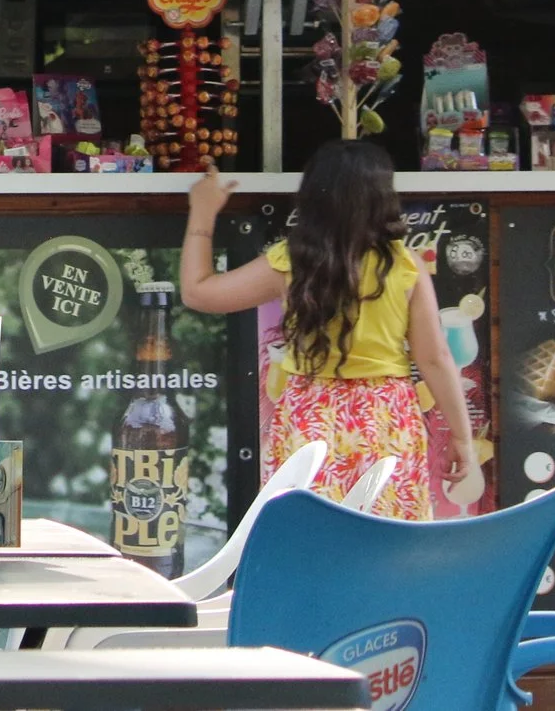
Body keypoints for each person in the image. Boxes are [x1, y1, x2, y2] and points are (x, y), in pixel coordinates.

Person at [180, 139, 475, 519]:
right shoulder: (405, 265)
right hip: (387, 419)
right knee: (385, 537)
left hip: (309, 417)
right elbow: (435, 358)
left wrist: (203, 213)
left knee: (310, 533)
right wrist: (462, 437)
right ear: (383, 197)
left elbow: (198, 293)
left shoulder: (292, 262)